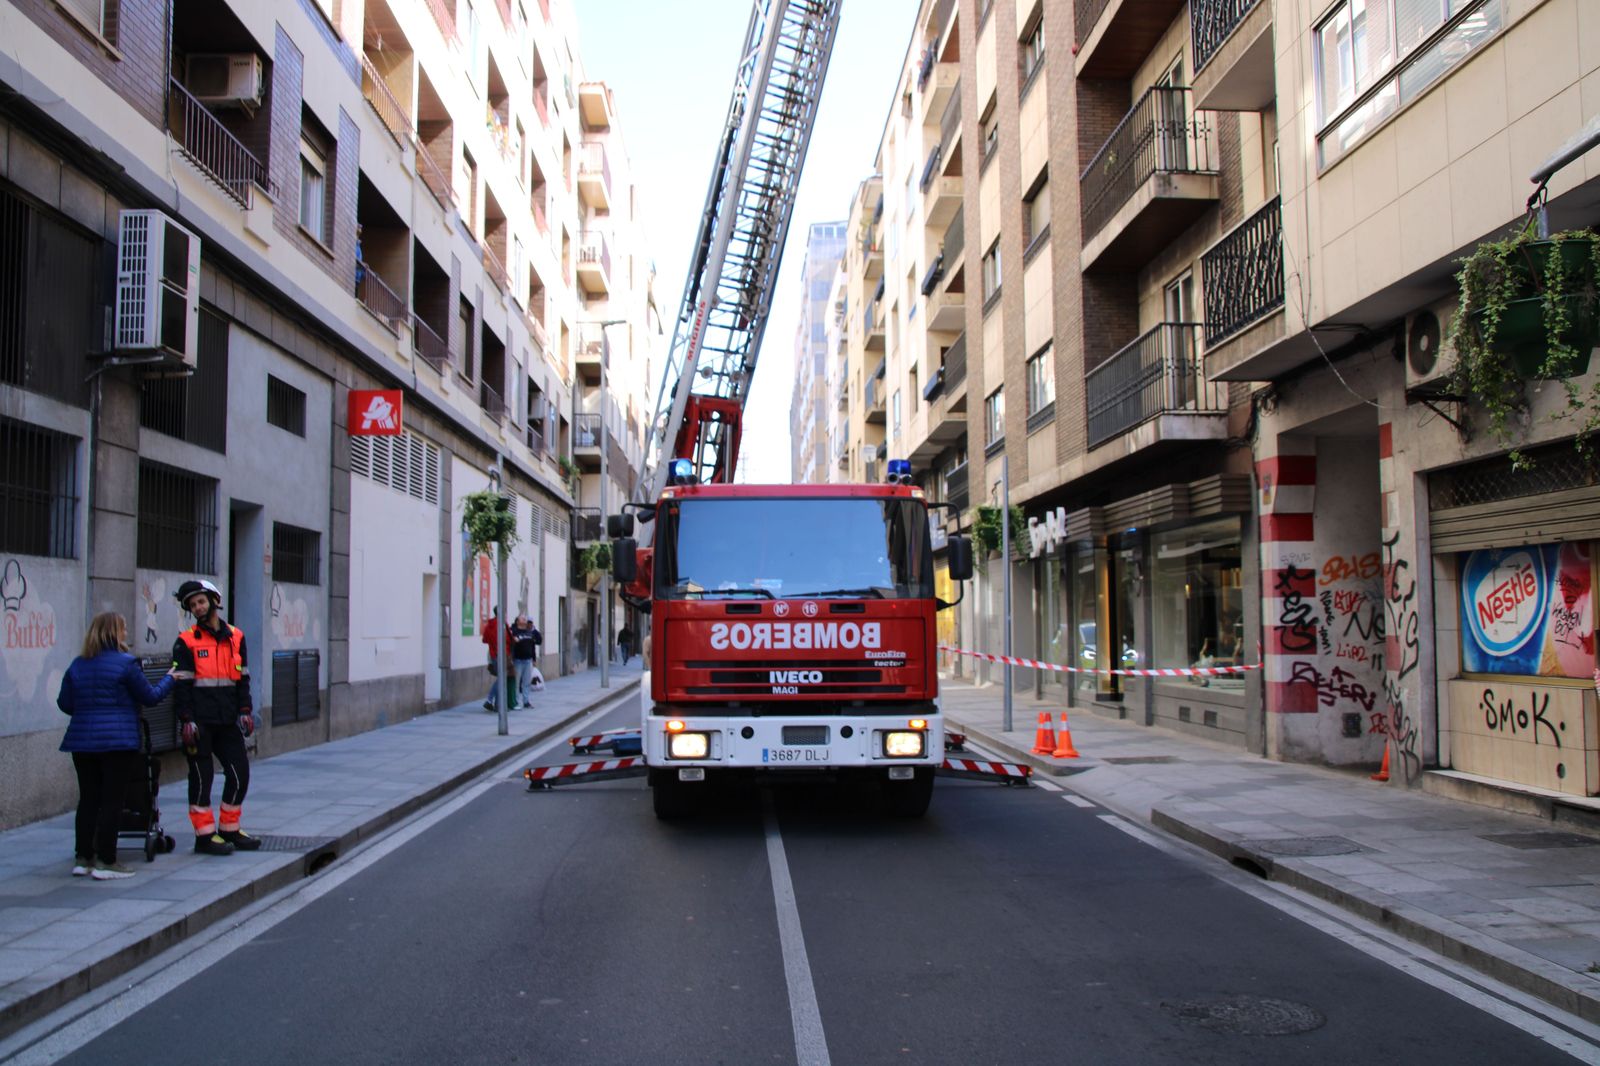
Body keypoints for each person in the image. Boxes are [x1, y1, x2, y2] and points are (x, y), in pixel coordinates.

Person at [57, 613, 176, 880]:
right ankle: (107, 861)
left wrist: (90, 709)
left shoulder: (77, 665)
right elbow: (150, 696)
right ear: (115, 632)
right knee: (112, 800)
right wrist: (171, 678)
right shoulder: (126, 664)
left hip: (82, 742)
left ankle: (83, 857)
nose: (125, 633)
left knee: (88, 799)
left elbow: (65, 703)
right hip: (117, 742)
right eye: (123, 629)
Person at [171, 579, 259, 855]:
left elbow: (243, 678)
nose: (197, 608)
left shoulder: (236, 636)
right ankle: (205, 836)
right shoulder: (185, 642)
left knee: (239, 774)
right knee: (202, 778)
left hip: (228, 720)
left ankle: (229, 829)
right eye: (192, 605)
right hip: (200, 723)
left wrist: (245, 711)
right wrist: (186, 719)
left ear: (213, 600)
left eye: (200, 601)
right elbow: (181, 685)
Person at [481, 607, 515, 710]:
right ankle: (490, 700)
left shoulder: (490, 624)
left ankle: (497, 704)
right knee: (502, 678)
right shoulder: (502, 624)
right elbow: (508, 640)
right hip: (502, 654)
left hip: (494, 654)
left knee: (502, 677)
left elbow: (484, 639)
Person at [510, 614, 541, 707]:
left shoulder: (529, 632)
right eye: (522, 618)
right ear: (518, 621)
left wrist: (534, 659)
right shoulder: (514, 632)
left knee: (526, 682)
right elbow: (511, 646)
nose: (525, 619)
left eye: (525, 619)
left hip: (528, 660)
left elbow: (534, 645)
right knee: (516, 682)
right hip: (518, 660)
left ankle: (526, 701)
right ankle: (515, 701)